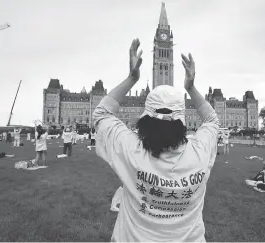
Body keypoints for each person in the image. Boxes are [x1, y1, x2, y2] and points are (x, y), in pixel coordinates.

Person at [93, 39, 219, 242]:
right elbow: (212, 119)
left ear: (145, 119)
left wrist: (132, 78)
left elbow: (101, 113)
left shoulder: (131, 151)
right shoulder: (200, 153)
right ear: (182, 120)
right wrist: (191, 87)